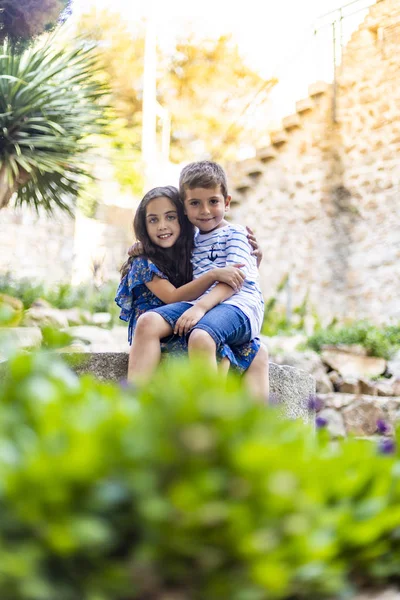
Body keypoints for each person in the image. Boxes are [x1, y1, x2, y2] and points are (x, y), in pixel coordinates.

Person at [128, 162, 269, 399]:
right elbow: (168, 239)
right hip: (204, 305)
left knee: (201, 336)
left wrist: (200, 308)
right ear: (184, 208)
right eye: (195, 203)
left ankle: (207, 414)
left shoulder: (235, 234)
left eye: (213, 201)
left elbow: (235, 279)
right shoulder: (192, 238)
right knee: (148, 322)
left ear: (227, 201)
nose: (205, 211)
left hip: (238, 305)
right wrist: (146, 246)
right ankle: (132, 402)